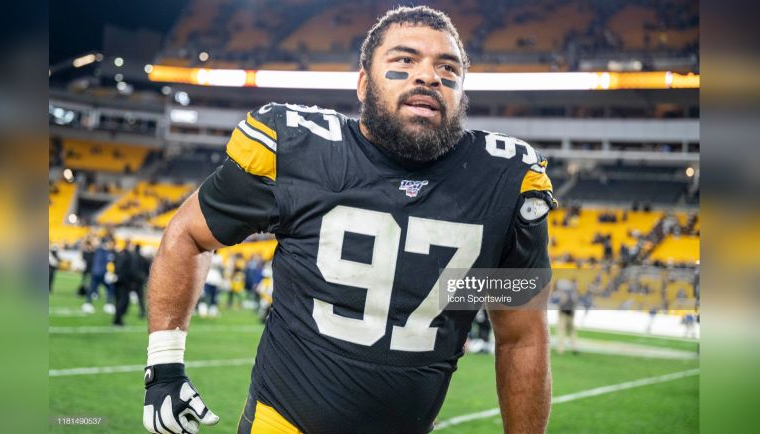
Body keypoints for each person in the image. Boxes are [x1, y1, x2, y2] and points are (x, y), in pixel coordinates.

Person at [142, 6, 556, 434]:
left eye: (447, 67)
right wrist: (164, 366)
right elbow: (190, 234)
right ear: (363, 84)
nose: (429, 76)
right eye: (404, 60)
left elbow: (521, 335)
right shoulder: (298, 151)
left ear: (461, 92)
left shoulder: (504, 183)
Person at [82, 237, 116, 314]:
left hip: (95, 273)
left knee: (92, 288)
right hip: (102, 273)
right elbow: (107, 263)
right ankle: (109, 304)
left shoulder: (98, 250)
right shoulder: (106, 252)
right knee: (110, 288)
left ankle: (88, 303)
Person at [555, 278, 578, 355]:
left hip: (563, 314)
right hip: (571, 314)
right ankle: (574, 347)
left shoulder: (562, 292)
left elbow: (561, 301)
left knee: (560, 331)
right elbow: (575, 302)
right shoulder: (572, 292)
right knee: (571, 332)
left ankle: (560, 349)